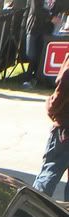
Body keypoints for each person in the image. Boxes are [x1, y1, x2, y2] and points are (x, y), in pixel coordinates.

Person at [33, 50, 69, 199]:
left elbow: (65, 83)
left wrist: (51, 106)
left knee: (49, 172)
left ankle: (32, 208)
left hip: (65, 127)